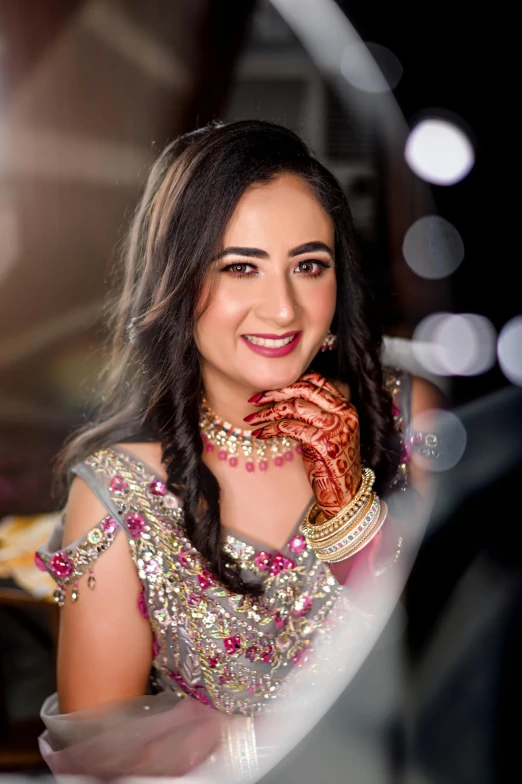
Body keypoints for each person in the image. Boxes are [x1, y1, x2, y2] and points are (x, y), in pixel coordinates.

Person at [34, 120, 442, 780]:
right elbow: (103, 757)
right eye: (240, 268)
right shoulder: (119, 497)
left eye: (309, 266)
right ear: (176, 283)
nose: (281, 309)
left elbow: (461, 653)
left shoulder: (408, 417)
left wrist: (352, 513)